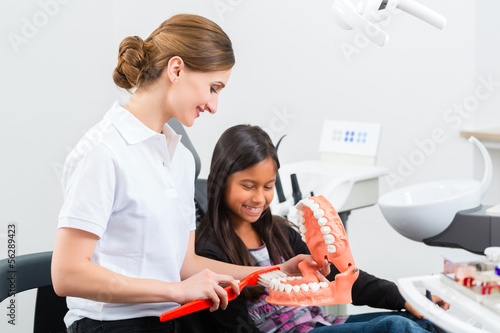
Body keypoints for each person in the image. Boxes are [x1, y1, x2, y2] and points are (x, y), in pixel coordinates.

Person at [51, 14, 312, 333]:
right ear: (176, 69)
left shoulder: (181, 159)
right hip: (111, 324)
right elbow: (67, 275)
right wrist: (174, 291)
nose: (214, 106)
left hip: (169, 321)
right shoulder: (103, 152)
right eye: (213, 88)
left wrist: (274, 272)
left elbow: (185, 264)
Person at [195, 124, 450, 333]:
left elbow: (343, 277)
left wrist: (407, 298)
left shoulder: (280, 232)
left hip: (318, 324)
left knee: (425, 322)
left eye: (268, 186)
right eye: (248, 186)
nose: (259, 198)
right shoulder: (210, 251)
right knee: (397, 328)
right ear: (221, 182)